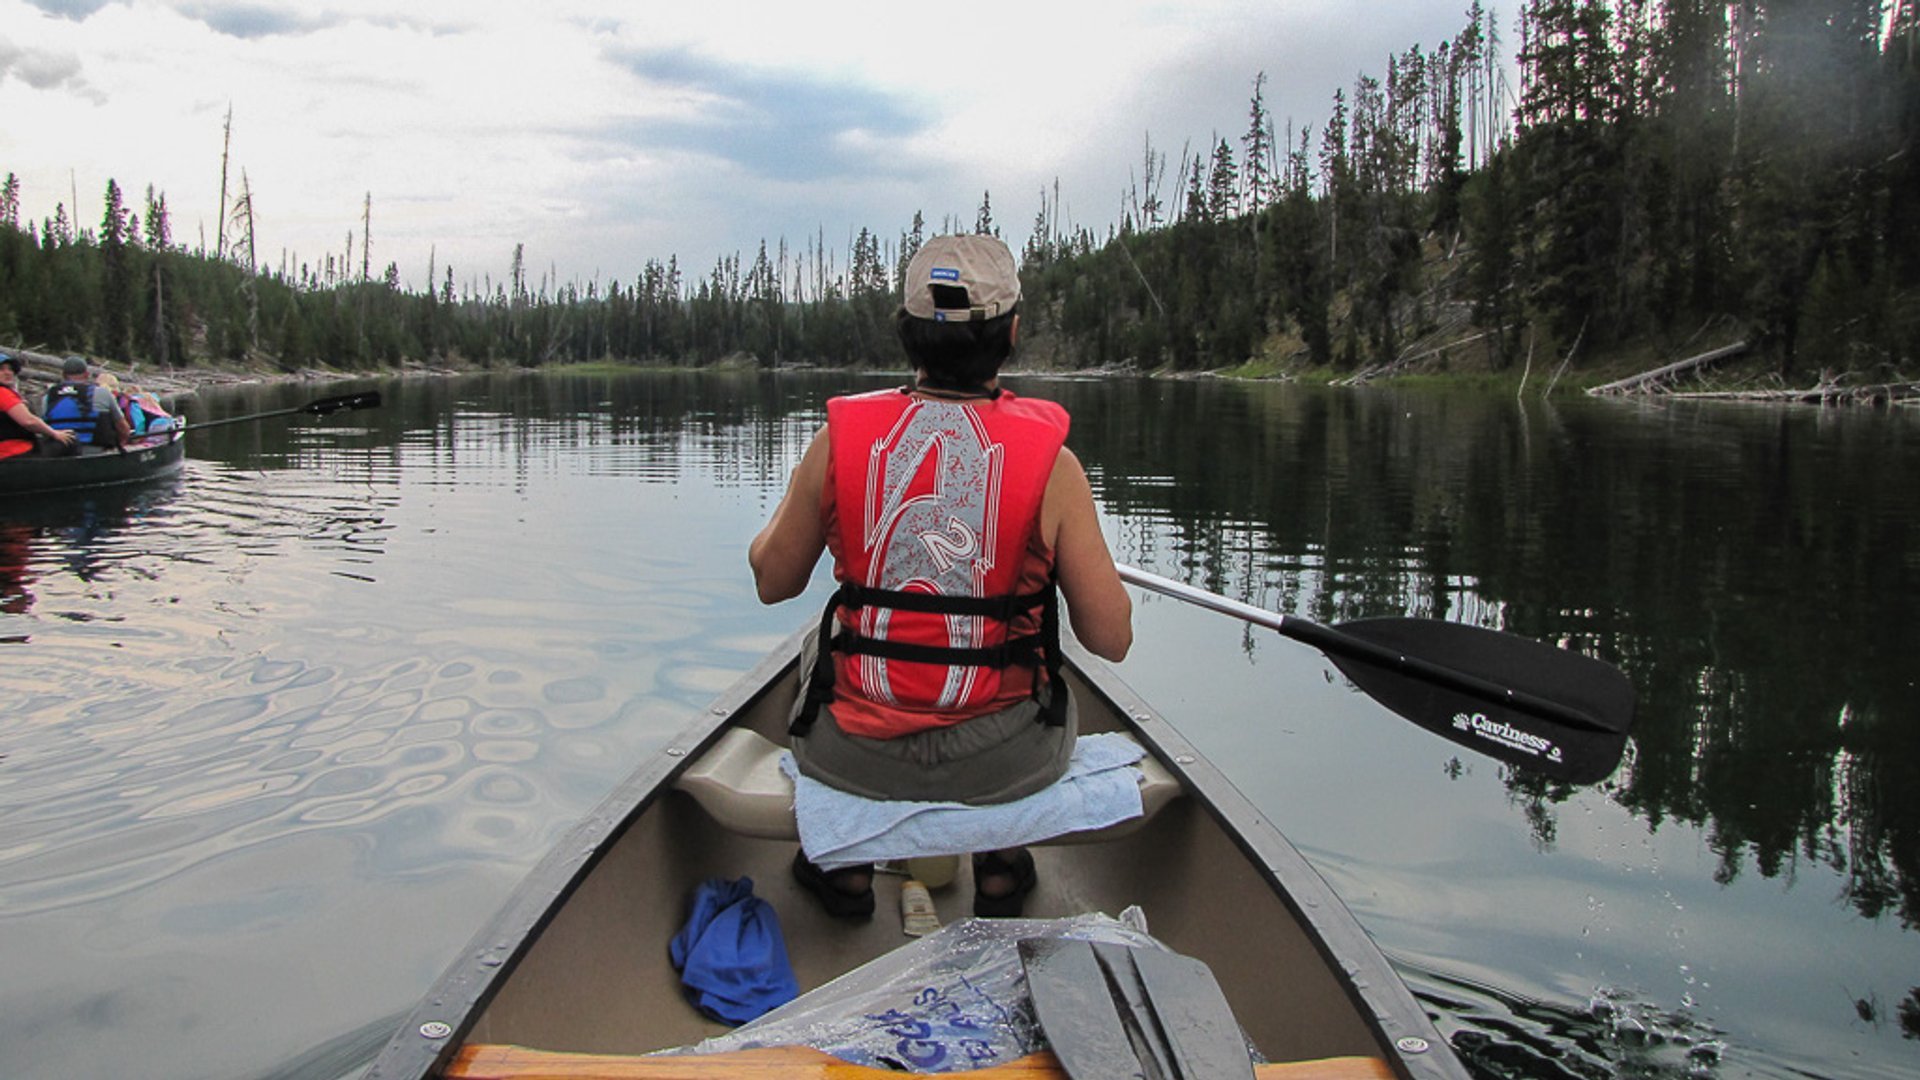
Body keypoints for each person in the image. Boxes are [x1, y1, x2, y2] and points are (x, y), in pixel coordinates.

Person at [749, 234, 1133, 919]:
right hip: (1004, 762)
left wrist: (808, 507)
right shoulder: (1058, 468)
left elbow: (772, 580)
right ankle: (1001, 868)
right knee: (1048, 668)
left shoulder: (838, 441)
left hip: (854, 756)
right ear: (1011, 334)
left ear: (906, 335)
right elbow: (1110, 638)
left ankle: (844, 874)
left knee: (820, 643)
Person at [0, 351, 79, 459]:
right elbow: (29, 421)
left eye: (10, 369)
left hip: (7, 453)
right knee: (71, 439)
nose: (8, 373)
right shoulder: (3, 393)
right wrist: (54, 433)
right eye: (1, 369)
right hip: (16, 453)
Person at [42, 355, 131, 451]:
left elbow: (43, 428)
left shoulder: (48, 397)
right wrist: (121, 444)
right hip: (95, 451)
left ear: (63, 375)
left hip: (59, 452)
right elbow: (123, 428)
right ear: (87, 374)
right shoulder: (102, 393)